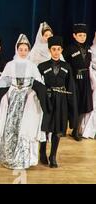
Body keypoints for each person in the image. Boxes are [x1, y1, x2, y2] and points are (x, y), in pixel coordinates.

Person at [0, 34, 47, 170]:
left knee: (25, 127)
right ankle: (7, 156)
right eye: (20, 49)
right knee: (10, 127)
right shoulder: (10, 65)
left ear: (28, 51)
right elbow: (4, 80)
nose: (23, 52)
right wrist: (2, 92)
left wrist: (32, 93)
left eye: (25, 49)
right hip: (12, 99)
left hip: (27, 99)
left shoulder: (32, 66)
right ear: (17, 50)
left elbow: (38, 82)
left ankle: (25, 158)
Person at [38, 36, 78, 168]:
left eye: (58, 49)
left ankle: (53, 155)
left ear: (61, 50)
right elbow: (38, 84)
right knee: (45, 127)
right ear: (49, 50)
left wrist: (71, 104)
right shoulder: (42, 66)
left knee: (58, 128)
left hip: (61, 101)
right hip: (47, 100)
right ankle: (42, 152)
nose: (56, 52)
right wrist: (44, 92)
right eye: (53, 49)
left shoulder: (67, 67)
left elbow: (70, 86)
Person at [64, 24, 93, 141]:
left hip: (85, 79)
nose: (82, 37)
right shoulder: (70, 49)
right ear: (74, 36)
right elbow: (64, 63)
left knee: (82, 104)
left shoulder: (88, 48)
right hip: (74, 80)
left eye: (84, 35)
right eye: (80, 35)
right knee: (74, 104)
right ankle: (69, 129)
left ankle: (77, 130)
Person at [81, 31, 96, 139]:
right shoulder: (91, 49)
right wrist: (94, 80)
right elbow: (89, 66)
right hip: (93, 78)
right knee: (93, 105)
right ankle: (89, 130)